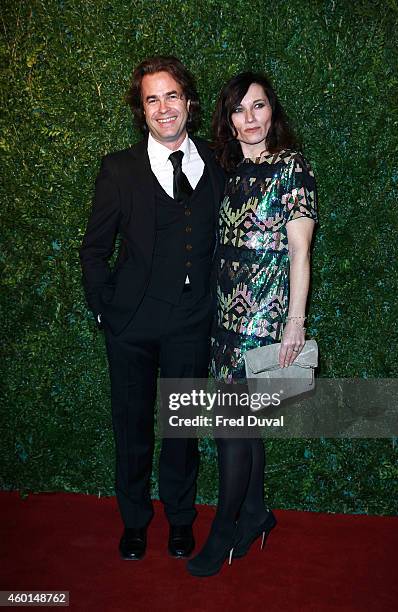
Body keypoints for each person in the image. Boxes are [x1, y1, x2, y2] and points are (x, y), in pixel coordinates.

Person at [79, 56, 224, 561]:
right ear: (141, 110)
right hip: (131, 325)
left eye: (171, 96)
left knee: (182, 433)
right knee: (133, 429)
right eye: (151, 99)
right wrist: (104, 310)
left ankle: (180, 521)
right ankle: (135, 522)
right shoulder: (119, 169)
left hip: (191, 322)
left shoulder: (217, 162)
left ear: (189, 102)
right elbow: (94, 248)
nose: (164, 108)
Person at [187, 72, 317, 576]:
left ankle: (223, 531)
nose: (250, 119)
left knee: (232, 431)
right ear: (229, 120)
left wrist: (295, 323)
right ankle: (258, 513)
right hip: (224, 321)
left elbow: (301, 249)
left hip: (263, 325)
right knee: (240, 430)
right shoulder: (232, 170)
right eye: (239, 110)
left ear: (272, 113)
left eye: (258, 107)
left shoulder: (292, 167)